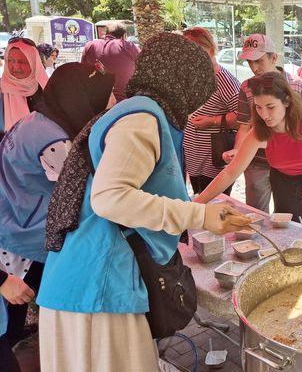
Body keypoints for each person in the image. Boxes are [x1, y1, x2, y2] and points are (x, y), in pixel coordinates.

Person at [37, 33, 251, 370]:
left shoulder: (137, 110)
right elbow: (110, 197)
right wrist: (200, 215)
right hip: (98, 286)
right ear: (180, 81)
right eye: (197, 87)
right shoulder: (143, 118)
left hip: (93, 279)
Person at [0, 62, 115, 371]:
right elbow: (84, 194)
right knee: (14, 307)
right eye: (104, 96)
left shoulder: (36, 119)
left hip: (13, 218)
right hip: (24, 236)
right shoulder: (55, 140)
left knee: (17, 308)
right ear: (79, 98)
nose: (111, 102)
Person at [196, 71, 302, 232]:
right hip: (283, 182)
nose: (264, 114)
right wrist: (195, 206)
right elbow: (230, 173)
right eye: (258, 107)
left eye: (270, 107)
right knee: (289, 232)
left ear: (287, 101)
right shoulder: (259, 133)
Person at [231, 33, 302, 213]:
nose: (254, 67)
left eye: (258, 60)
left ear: (273, 57)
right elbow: (244, 125)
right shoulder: (246, 87)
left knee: (290, 215)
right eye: (249, 62)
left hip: (290, 163)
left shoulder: (296, 84)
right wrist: (238, 150)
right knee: (256, 214)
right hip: (257, 161)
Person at [182, 27, 240, 195]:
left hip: (215, 161)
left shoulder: (224, 80)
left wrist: (212, 121)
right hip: (194, 158)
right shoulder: (194, 77)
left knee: (213, 207)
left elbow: (244, 118)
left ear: (212, 50)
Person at [1, 38, 48, 139]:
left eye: (22, 62)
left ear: (33, 63)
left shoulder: (46, 89)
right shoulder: (1, 89)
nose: (16, 66)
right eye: (10, 61)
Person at [81, 21, 140, 102]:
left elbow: (81, 73)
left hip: (95, 104)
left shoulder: (90, 46)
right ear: (123, 36)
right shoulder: (130, 47)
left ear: (106, 33)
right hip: (124, 103)